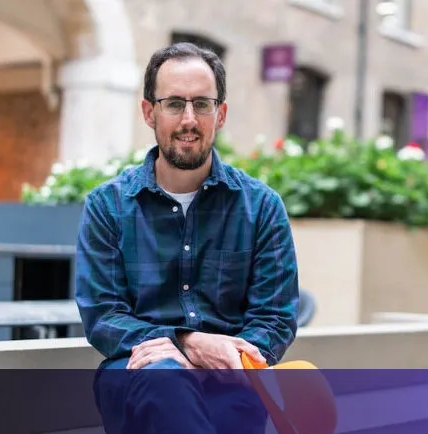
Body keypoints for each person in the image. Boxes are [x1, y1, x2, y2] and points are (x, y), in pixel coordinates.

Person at [74, 42, 300, 434]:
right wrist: (187, 342)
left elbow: (275, 318)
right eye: (174, 103)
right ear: (150, 112)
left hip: (230, 377)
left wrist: (226, 354)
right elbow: (103, 315)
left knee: (227, 405)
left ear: (221, 113)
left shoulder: (261, 207)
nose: (189, 119)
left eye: (203, 104)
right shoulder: (107, 206)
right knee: (165, 381)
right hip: (137, 368)